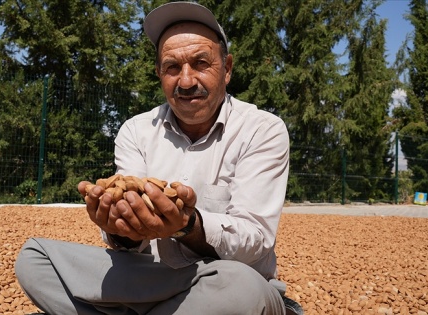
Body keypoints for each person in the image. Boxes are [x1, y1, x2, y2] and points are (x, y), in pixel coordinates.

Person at [15, 2, 291, 314]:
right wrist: (121, 226)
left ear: (226, 69)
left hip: (221, 279)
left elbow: (255, 241)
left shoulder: (262, 129)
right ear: (159, 72)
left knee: (243, 288)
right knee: (35, 257)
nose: (186, 81)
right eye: (172, 67)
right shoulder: (136, 130)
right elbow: (131, 236)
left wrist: (187, 225)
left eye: (201, 63)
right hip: (151, 280)